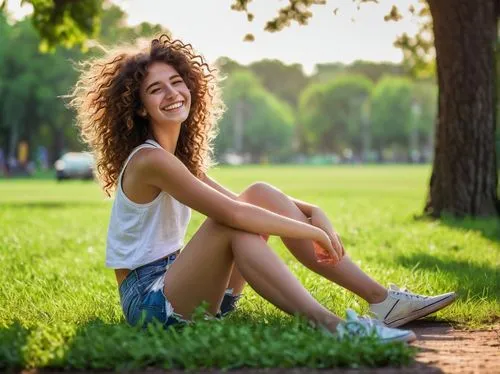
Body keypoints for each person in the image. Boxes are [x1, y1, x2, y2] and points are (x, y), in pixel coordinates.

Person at [69, 34, 456, 343]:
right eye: (156, 90)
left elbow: (245, 202)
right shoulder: (150, 161)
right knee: (230, 224)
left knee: (259, 192)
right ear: (139, 108)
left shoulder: (176, 161)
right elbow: (233, 215)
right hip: (150, 303)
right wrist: (311, 229)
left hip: (185, 286)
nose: (172, 94)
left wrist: (312, 209)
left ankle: (383, 301)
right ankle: (334, 327)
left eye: (176, 82)